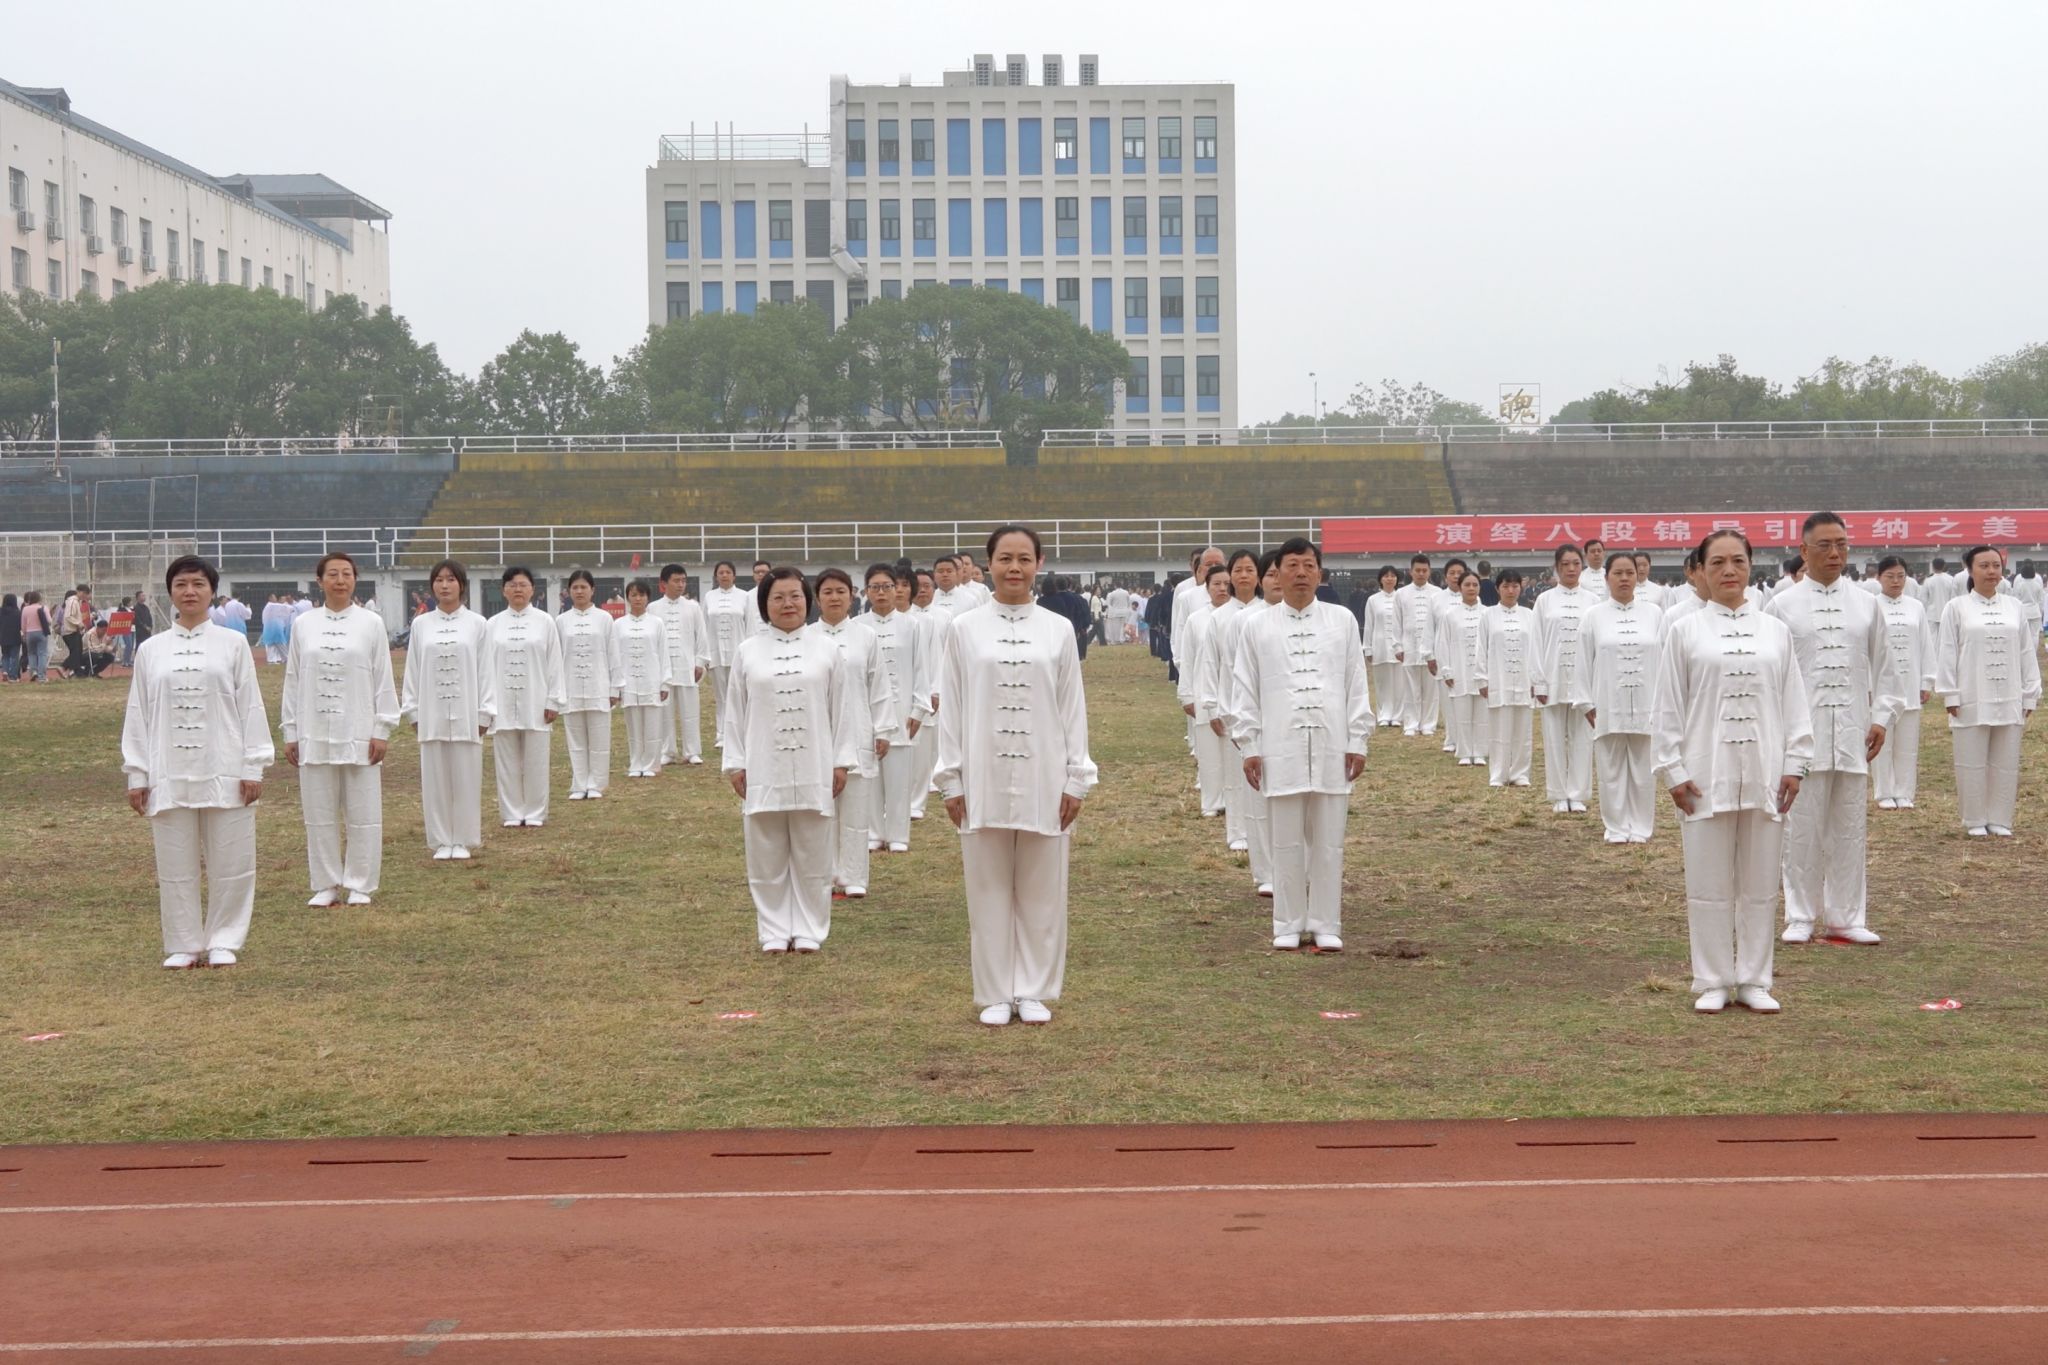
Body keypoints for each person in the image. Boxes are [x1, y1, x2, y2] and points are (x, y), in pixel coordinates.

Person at [938, 525, 1097, 1025]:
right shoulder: (964, 629)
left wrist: (1076, 777)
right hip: (981, 773)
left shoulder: (1058, 629)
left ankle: (1032, 989)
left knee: (1042, 889)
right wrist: (951, 779)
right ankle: (993, 992)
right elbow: (952, 707)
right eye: (1005, 558)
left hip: (1045, 773)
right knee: (986, 887)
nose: (1014, 568)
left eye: (1024, 558)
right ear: (988, 564)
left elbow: (1072, 707)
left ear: (1039, 564)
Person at [1655, 529, 1814, 1015]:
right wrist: (1672, 769)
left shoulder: (1775, 631)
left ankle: (1754, 979)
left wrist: (1795, 763)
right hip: (1705, 773)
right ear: (1700, 571)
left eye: (1738, 561)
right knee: (1707, 885)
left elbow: (1794, 701)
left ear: (1750, 566)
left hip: (1766, 772)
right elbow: (1667, 706)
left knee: (1760, 884)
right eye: (1718, 562)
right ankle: (1712, 979)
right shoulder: (1684, 631)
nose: (1729, 571)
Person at [121, 556, 272, 968]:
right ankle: (184, 942)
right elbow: (138, 713)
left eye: (198, 584)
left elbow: (250, 706)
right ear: (170, 592)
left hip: (225, 765)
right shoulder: (151, 650)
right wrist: (137, 774)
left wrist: (253, 766)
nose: (190, 591)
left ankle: (224, 939)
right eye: (182, 584)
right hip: (168, 769)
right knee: (175, 862)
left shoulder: (233, 644)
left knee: (232, 859)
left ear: (212, 591)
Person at [1764, 513, 1903, 945]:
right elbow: (1769, 674)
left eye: (1841, 544)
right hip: (1799, 737)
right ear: (1804, 551)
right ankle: (1801, 915)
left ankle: (1847, 916)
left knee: (1849, 828)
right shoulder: (1781, 606)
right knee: (1800, 829)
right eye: (1824, 545)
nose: (1835, 553)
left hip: (1852, 732)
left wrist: (1881, 716)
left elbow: (1886, 666)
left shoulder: (1866, 603)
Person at [1232, 537, 1369, 953]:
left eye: (1309, 565)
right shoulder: (1257, 626)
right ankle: (1287, 922)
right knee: (1286, 841)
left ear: (1320, 573)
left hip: (1332, 745)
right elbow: (1245, 689)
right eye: (1292, 565)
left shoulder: (1342, 621)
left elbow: (1356, 682)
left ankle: (1326, 922)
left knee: (1329, 842)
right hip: (1280, 747)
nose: (1301, 573)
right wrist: (1250, 745)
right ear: (1278, 572)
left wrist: (1358, 738)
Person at [724, 566, 856, 953]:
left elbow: (841, 709)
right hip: (763, 764)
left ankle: (810, 928)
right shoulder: (748, 651)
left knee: (813, 852)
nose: (788, 604)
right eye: (778, 597)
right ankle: (774, 930)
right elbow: (734, 711)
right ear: (764, 603)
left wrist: (841, 761)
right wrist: (736, 763)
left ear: (807, 601)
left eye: (795, 596)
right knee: (766, 853)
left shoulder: (826, 649)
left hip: (815, 763)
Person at [282, 552, 399, 908]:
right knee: (319, 814)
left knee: (364, 813)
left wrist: (381, 728)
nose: (340, 580)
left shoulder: (371, 623)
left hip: (358, 729)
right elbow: (293, 678)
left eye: (347, 574)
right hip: (314, 731)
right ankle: (326, 883)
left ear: (355, 579)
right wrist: (291, 731)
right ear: (319, 581)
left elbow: (383, 677)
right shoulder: (304, 624)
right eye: (332, 574)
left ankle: (361, 883)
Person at [1936, 545, 2040, 838]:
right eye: (1984, 566)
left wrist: (2030, 692)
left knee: (2005, 760)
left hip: (2010, 693)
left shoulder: (2014, 606)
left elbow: (2026, 651)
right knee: (1970, 760)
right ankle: (1974, 819)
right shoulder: (1956, 607)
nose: (1991, 571)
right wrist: (1950, 693)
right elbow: (1947, 651)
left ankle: (2000, 818)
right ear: (1969, 570)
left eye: (1996, 565)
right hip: (1972, 692)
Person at [811, 568, 897, 900]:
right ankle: (826, 874)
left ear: (852, 596)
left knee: (857, 809)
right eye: (827, 592)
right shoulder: (807, 637)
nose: (834, 598)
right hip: (819, 732)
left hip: (859, 729)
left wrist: (883, 728)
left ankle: (855, 876)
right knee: (822, 809)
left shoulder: (866, 636)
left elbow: (879, 685)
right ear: (817, 598)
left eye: (840, 591)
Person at [399, 560, 493, 861]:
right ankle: (441, 840)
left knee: (466, 776)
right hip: (432, 710)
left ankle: (463, 838)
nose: (444, 585)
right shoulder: (421, 624)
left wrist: (485, 712)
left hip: (467, 711)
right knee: (435, 778)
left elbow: (485, 670)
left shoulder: (478, 623)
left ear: (461, 585)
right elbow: (413, 668)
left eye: (451, 579)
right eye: (439, 580)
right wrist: (413, 710)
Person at [1583, 552, 1665, 844]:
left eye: (1629, 572)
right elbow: (1584, 660)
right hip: (1607, 701)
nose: (1624, 578)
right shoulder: (1593, 616)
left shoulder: (1654, 614)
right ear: (1606, 578)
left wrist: (1663, 702)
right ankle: (1616, 827)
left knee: (1644, 770)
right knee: (1611, 767)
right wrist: (1585, 701)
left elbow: (1663, 660)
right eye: (1617, 573)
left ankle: (1641, 827)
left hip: (1647, 701)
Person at [485, 567, 564, 828]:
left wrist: (553, 700)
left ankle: (535, 812)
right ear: (503, 590)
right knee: (506, 760)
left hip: (536, 699)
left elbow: (555, 663)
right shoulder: (492, 625)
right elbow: (484, 667)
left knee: (536, 760)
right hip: (502, 700)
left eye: (522, 584)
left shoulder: (545, 622)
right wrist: (487, 704)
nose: (517, 589)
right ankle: (511, 812)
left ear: (532, 590)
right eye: (512, 584)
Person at [863, 563, 933, 856]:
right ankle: (873, 832)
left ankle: (898, 834)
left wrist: (918, 709)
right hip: (866, 711)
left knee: (899, 776)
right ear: (866, 591)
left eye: (887, 587)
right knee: (870, 774)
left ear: (897, 590)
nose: (881, 593)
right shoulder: (858, 626)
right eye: (875, 587)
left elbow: (921, 669)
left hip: (902, 708)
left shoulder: (912, 625)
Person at [1201, 550, 1262, 855]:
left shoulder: (1267, 612)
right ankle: (1237, 831)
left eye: (1249, 569)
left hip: (1262, 706)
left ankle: (1262, 831)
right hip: (1230, 706)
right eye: (1238, 570)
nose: (1243, 575)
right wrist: (1211, 706)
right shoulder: (1220, 617)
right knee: (1235, 775)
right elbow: (1210, 662)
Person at [1532, 543, 1597, 815]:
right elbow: (1536, 642)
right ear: (1557, 567)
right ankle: (1559, 794)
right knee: (1555, 738)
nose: (1571, 569)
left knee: (1582, 739)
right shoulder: (1544, 600)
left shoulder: (1593, 601)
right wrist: (1539, 681)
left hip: (1584, 680)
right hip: (1553, 676)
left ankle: (1578, 793)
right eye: (1565, 564)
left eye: (1576, 563)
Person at [1872, 555, 1936, 811]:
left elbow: (1925, 644)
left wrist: (1926, 681)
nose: (1896, 581)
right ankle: (1884, 791)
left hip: (1910, 682)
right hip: (1880, 684)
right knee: (1882, 740)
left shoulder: (1916, 607)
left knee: (1907, 743)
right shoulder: (1871, 606)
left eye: (1901, 576)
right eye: (1890, 576)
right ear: (1879, 578)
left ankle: (1904, 791)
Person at [1178, 564, 1231, 817]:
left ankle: (1233, 799)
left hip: (1233, 694)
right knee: (1209, 753)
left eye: (1226, 584)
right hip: (1203, 692)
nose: (1222, 588)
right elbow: (1187, 659)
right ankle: (1211, 802)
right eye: (1216, 584)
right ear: (1207, 588)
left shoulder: (1242, 616)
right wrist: (1186, 694)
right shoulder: (1196, 619)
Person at [1476, 568, 1537, 788]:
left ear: (1521, 588)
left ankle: (1520, 773)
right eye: (1506, 586)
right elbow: (1481, 648)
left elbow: (1536, 649)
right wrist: (1481, 678)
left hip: (1524, 678)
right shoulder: (1488, 615)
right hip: (1498, 678)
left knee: (1523, 729)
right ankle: (1498, 773)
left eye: (1515, 586)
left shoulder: (1529, 615)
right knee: (1498, 728)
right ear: (1497, 588)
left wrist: (1536, 679)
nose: (1510, 591)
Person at [649, 564, 711, 767]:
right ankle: (667, 751)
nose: (680, 584)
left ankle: (692, 751)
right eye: (676, 581)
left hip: (687, 666)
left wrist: (700, 662)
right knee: (665, 712)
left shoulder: (693, 607)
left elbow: (701, 636)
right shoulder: (653, 608)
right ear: (663, 583)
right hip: (663, 668)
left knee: (690, 711)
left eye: (683, 581)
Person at [613, 578, 673, 780]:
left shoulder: (657, 623)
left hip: (652, 679)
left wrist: (665, 682)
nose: (637, 599)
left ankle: (651, 763)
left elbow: (663, 653)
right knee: (633, 726)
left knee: (653, 725)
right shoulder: (618, 624)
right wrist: (616, 684)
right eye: (633, 595)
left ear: (648, 598)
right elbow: (615, 656)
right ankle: (636, 762)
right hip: (628, 681)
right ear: (627, 598)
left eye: (641, 595)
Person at [1432, 570, 1488, 766]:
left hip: (1483, 672)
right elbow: (1442, 643)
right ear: (1460, 587)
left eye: (1475, 584)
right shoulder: (1450, 614)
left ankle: (1479, 751)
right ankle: (1464, 751)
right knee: (1461, 713)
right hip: (1459, 669)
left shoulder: (1487, 613)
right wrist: (1446, 669)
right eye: (1467, 585)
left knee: (1482, 714)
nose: (1471, 588)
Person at [703, 561, 752, 744]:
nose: (724, 575)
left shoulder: (744, 596)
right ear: (716, 576)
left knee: (739, 694)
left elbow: (749, 626)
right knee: (721, 696)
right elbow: (704, 626)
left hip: (738, 652)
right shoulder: (709, 596)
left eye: (728, 572)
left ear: (734, 575)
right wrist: (705, 654)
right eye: (721, 572)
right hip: (716, 653)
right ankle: (722, 734)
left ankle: (741, 733)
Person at [1393, 554, 1440, 737]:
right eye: (1417, 570)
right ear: (1410, 572)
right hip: (1409, 646)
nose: (1421, 573)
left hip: (1432, 649)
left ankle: (1428, 724)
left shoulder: (1437, 593)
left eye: (1424, 570)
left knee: (1431, 689)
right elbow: (1396, 621)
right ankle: (1411, 724)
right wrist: (1397, 646)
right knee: (1410, 689)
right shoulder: (1401, 593)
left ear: (1429, 571)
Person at [1364, 567, 1403, 727]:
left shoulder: (1401, 597)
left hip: (1399, 647)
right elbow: (1369, 625)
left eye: (1393, 576)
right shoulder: (1373, 600)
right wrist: (1367, 648)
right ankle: (1383, 715)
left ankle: (1398, 716)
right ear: (1380, 579)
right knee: (1382, 683)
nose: (1389, 579)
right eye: (1386, 576)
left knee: (1399, 683)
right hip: (1379, 644)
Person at [19, 590, 51, 681]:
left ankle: (33, 672)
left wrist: (24, 634)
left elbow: (23, 624)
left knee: (31, 654)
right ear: (39, 598)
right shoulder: (43, 608)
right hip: (41, 633)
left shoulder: (25, 609)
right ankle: (42, 676)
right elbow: (49, 621)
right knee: (42, 654)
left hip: (29, 633)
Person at [260, 594, 292, 665]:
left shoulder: (269, 606)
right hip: (275, 628)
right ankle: (283, 659)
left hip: (271, 628)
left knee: (272, 645)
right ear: (270, 598)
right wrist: (292, 608)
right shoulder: (271, 605)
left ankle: (274, 659)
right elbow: (285, 608)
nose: (275, 599)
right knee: (279, 644)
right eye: (274, 597)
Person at [0, 592, 19, 681]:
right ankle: (13, 676)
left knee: (5, 655)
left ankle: (5, 671)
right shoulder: (18, 612)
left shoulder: (1, 611)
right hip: (15, 636)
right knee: (14, 656)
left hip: (3, 636)